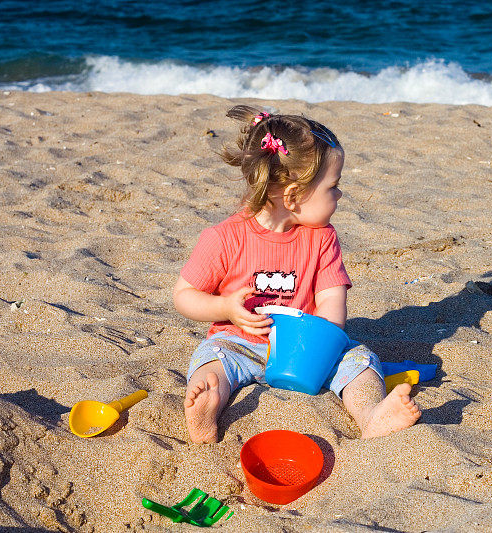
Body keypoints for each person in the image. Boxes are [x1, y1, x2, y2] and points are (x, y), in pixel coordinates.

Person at [173, 105, 421, 443]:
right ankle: (207, 408)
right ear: (293, 197)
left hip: (306, 348)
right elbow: (184, 295)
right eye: (333, 186)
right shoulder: (224, 238)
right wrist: (226, 309)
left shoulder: (322, 237)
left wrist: (325, 339)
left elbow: (331, 297)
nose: (339, 194)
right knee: (211, 362)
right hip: (240, 341)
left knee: (360, 362)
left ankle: (371, 414)